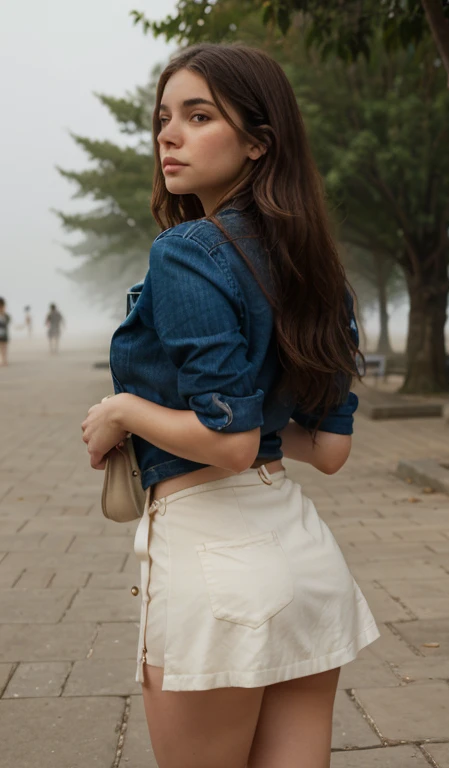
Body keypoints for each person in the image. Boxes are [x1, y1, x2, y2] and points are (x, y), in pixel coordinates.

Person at [81, 43, 379, 768]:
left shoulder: (187, 251)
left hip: (216, 563)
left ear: (257, 142)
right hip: (303, 556)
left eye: (199, 115)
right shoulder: (318, 266)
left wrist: (121, 411)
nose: (168, 136)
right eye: (163, 118)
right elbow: (329, 450)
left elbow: (232, 439)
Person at [0, 298, 11, 366]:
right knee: (1, 347)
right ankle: (2, 360)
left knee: (4, 346)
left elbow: (8, 321)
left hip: (5, 333)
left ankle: (4, 360)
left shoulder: (5, 315)